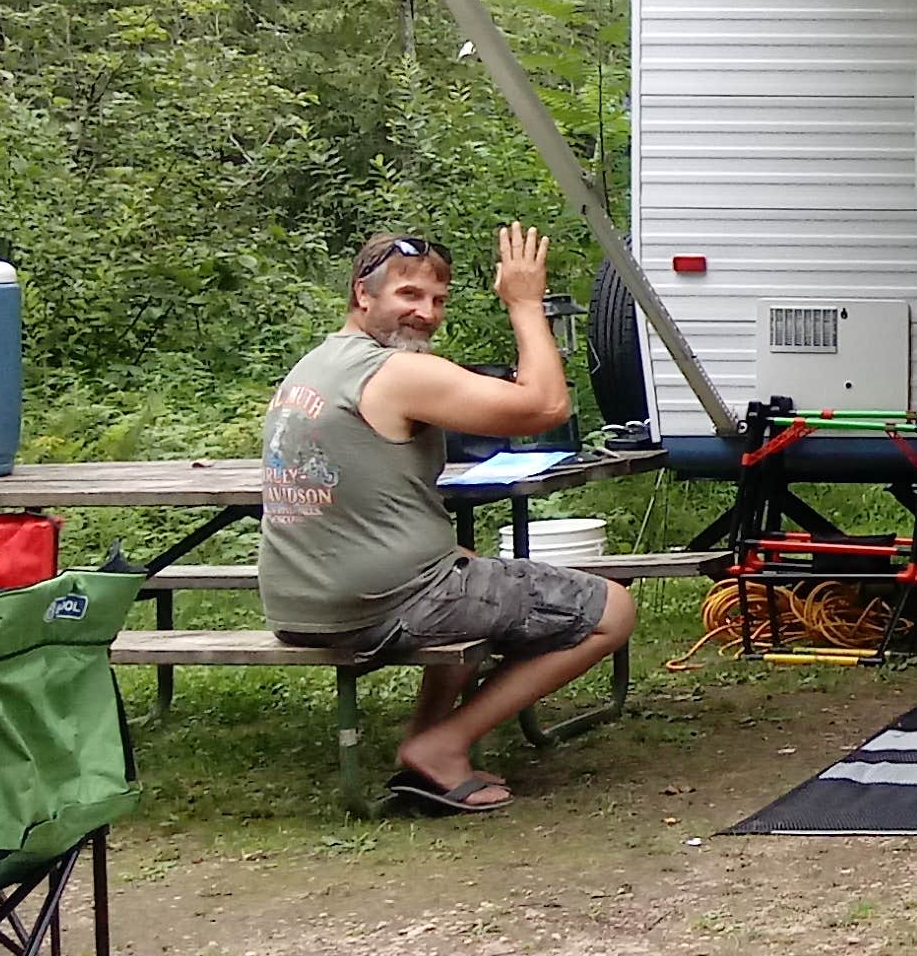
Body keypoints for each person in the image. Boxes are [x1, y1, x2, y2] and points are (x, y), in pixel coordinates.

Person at [259, 223, 636, 813]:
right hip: (379, 603)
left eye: (437, 300)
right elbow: (547, 406)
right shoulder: (394, 373)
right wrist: (524, 302)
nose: (426, 313)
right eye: (408, 295)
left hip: (301, 602)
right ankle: (445, 742)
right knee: (614, 609)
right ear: (363, 294)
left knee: (470, 574)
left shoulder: (314, 367)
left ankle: (425, 745)